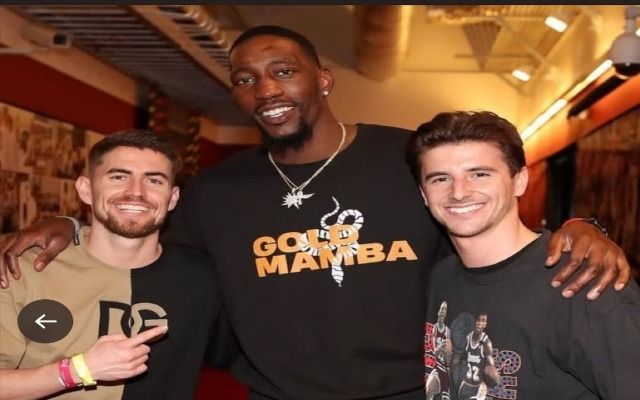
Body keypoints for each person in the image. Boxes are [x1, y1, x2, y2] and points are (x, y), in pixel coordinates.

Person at [0, 26, 632, 400]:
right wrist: (70, 224)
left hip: (413, 393)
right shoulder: (217, 192)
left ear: (323, 78)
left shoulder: (404, 157)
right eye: (245, 79)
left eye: (283, 71)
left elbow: (480, 213)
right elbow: (140, 240)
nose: (266, 89)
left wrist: (581, 228)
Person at [408, 111, 640, 399]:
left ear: (520, 181)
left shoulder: (585, 282)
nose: (459, 192)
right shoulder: (440, 276)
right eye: (441, 179)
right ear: (424, 194)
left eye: (479, 174)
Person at [0, 130, 220, 399]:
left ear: (173, 198)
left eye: (153, 180)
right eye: (118, 177)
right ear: (86, 190)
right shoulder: (20, 266)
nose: (136, 192)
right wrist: (79, 370)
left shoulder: (203, 278)